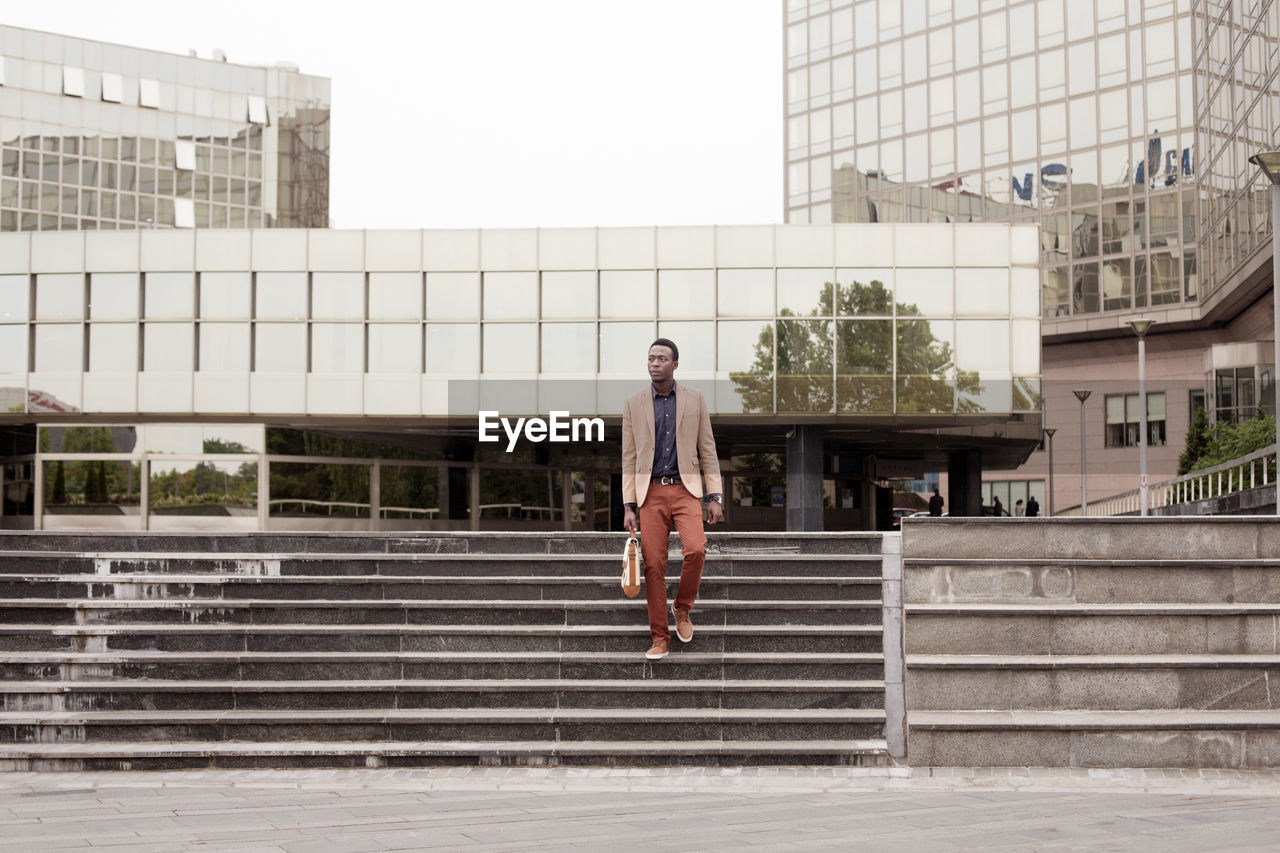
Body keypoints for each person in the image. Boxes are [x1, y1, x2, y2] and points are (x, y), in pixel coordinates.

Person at [622, 338, 723, 661]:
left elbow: (707, 448)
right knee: (653, 565)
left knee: (696, 548)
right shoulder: (633, 403)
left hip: (686, 489)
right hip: (649, 493)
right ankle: (659, 636)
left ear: (674, 365)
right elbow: (629, 457)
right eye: (650, 358)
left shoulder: (695, 399)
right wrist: (628, 505)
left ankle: (682, 607)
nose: (655, 363)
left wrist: (715, 495)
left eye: (662, 358)